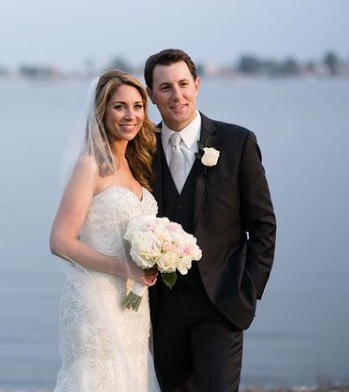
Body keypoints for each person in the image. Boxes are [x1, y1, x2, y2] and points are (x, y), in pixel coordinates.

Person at [143, 48, 277, 392]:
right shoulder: (142, 149)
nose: (177, 95)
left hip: (221, 304)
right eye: (166, 87)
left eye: (184, 83)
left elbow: (262, 225)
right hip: (163, 311)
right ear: (151, 95)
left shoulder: (237, 143)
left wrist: (248, 290)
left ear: (198, 85)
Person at [49, 70, 160, 391]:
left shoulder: (136, 166)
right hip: (95, 300)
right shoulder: (89, 165)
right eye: (120, 106)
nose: (131, 115)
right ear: (102, 110)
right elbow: (60, 241)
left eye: (138, 106)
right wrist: (123, 267)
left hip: (133, 305)